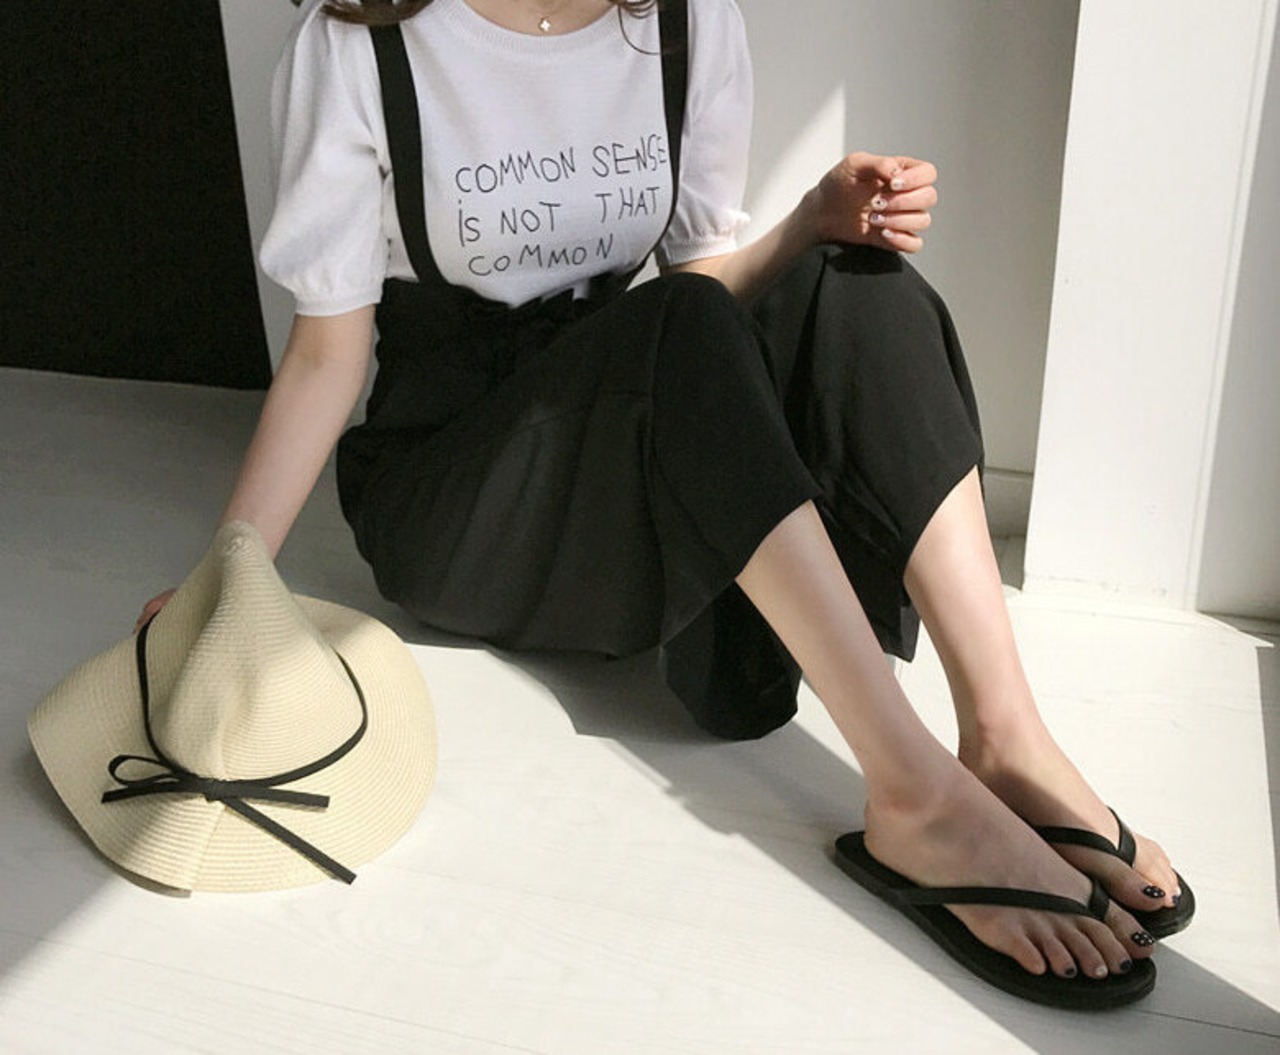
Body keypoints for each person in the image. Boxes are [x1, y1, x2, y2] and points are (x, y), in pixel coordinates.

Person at [138, 0, 1189, 1006]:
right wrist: (230, 577)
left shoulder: (684, 21)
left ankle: (1003, 734)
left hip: (621, 434)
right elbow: (327, 356)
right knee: (679, 318)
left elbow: (705, 303)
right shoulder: (360, 41)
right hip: (458, 493)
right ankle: (914, 790)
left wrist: (813, 224)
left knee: (855, 279)